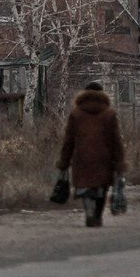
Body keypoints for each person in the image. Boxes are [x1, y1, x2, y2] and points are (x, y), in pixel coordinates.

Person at [56, 82, 126, 227]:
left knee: (85, 185)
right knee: (101, 187)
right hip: (104, 157)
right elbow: (116, 140)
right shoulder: (109, 113)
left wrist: (64, 160)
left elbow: (69, 140)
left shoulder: (76, 114)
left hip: (82, 156)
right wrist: (119, 161)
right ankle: (98, 216)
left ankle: (89, 211)